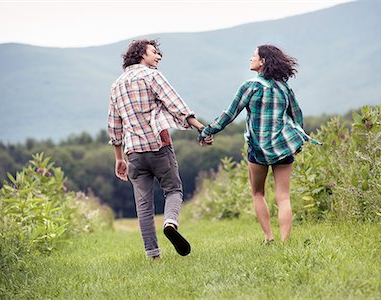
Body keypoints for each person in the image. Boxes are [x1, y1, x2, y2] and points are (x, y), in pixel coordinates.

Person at [199, 44, 320, 243]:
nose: (250, 59)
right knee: (284, 196)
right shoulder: (284, 87)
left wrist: (207, 131)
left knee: (257, 192)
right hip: (283, 147)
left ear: (262, 61)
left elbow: (229, 115)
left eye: (253, 56)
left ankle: (269, 237)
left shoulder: (251, 86)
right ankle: (285, 241)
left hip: (258, 149)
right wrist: (297, 142)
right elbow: (297, 116)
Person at [108, 39, 211, 259]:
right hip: (159, 146)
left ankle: (153, 255)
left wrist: (118, 158)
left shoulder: (116, 85)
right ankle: (170, 223)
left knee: (143, 204)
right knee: (173, 189)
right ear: (140, 55)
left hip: (133, 153)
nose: (159, 56)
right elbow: (176, 104)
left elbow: (114, 125)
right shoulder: (151, 75)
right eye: (154, 52)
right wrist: (200, 127)